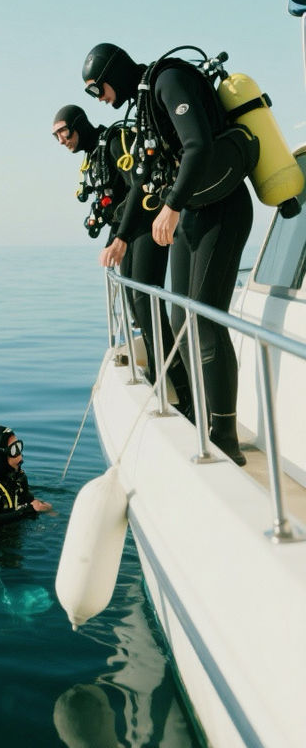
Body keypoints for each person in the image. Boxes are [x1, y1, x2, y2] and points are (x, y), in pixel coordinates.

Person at [81, 43, 253, 465]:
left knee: (206, 321)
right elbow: (142, 173)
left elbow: (198, 146)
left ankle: (225, 435)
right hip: (193, 212)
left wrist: (172, 206)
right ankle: (200, 416)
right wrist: (121, 237)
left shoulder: (169, 80)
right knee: (181, 318)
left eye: (96, 89)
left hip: (222, 208)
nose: (100, 99)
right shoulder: (143, 103)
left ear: (112, 73)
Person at [52, 104, 193, 411]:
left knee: (148, 308)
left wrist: (120, 237)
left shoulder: (115, 141)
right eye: (56, 136)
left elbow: (139, 187)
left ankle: (186, 396)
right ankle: (163, 384)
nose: (62, 140)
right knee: (138, 310)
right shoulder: (96, 154)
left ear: (78, 123)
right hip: (129, 233)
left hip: (145, 228)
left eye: (63, 131)